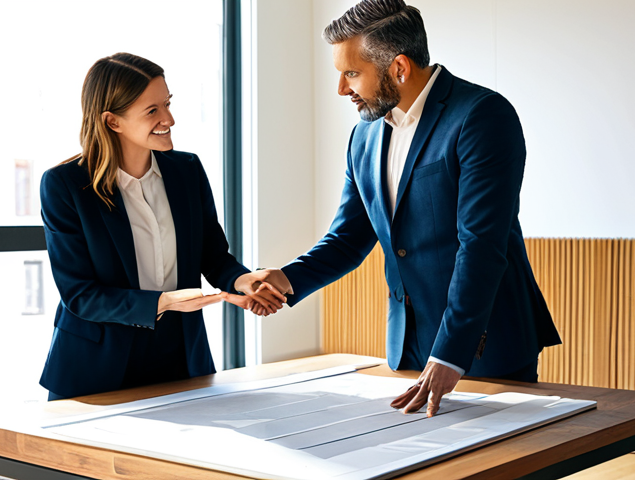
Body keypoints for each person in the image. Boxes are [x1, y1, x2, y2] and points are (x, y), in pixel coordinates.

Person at [236, 0, 561, 417]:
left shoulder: (482, 116)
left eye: (351, 73)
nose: (341, 88)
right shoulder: (364, 136)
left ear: (399, 68)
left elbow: (480, 245)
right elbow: (348, 238)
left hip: (483, 345)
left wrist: (450, 354)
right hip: (406, 348)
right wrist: (286, 278)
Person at [40, 53, 285, 400]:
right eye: (152, 110)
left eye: (167, 104)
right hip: (96, 367)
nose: (169, 118)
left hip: (180, 358)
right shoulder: (65, 185)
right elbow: (80, 295)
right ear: (113, 121)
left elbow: (213, 257)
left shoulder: (186, 170)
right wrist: (166, 301)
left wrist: (245, 281)